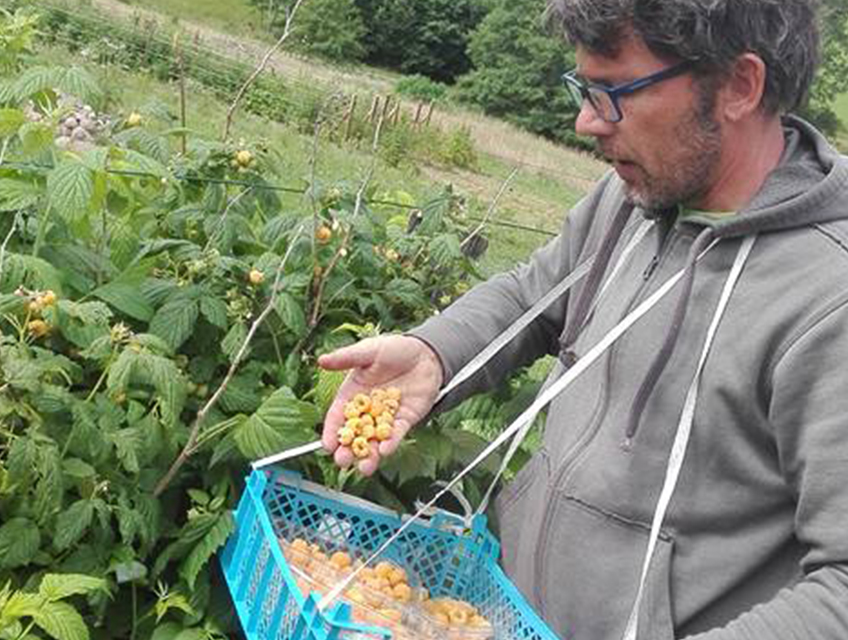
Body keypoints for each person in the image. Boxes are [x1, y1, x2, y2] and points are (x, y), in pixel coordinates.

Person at [318, 0, 848, 638]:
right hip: (508, 617)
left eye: (612, 92)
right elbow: (533, 294)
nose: (585, 122)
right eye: (583, 89)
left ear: (739, 85)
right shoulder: (639, 196)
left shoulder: (828, 298)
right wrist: (436, 353)